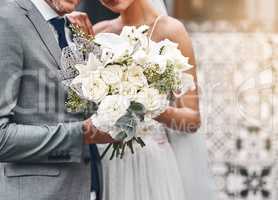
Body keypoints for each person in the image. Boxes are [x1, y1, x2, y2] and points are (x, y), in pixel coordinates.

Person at [67, 0, 214, 199]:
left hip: (152, 163)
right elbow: (82, 106)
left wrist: (146, 104)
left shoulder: (171, 30)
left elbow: (192, 119)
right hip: (108, 163)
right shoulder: (99, 33)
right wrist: (78, 43)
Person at [0, 0, 114, 200]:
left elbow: (82, 105)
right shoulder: (6, 18)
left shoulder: (75, 26)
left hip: (88, 185)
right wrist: (82, 134)